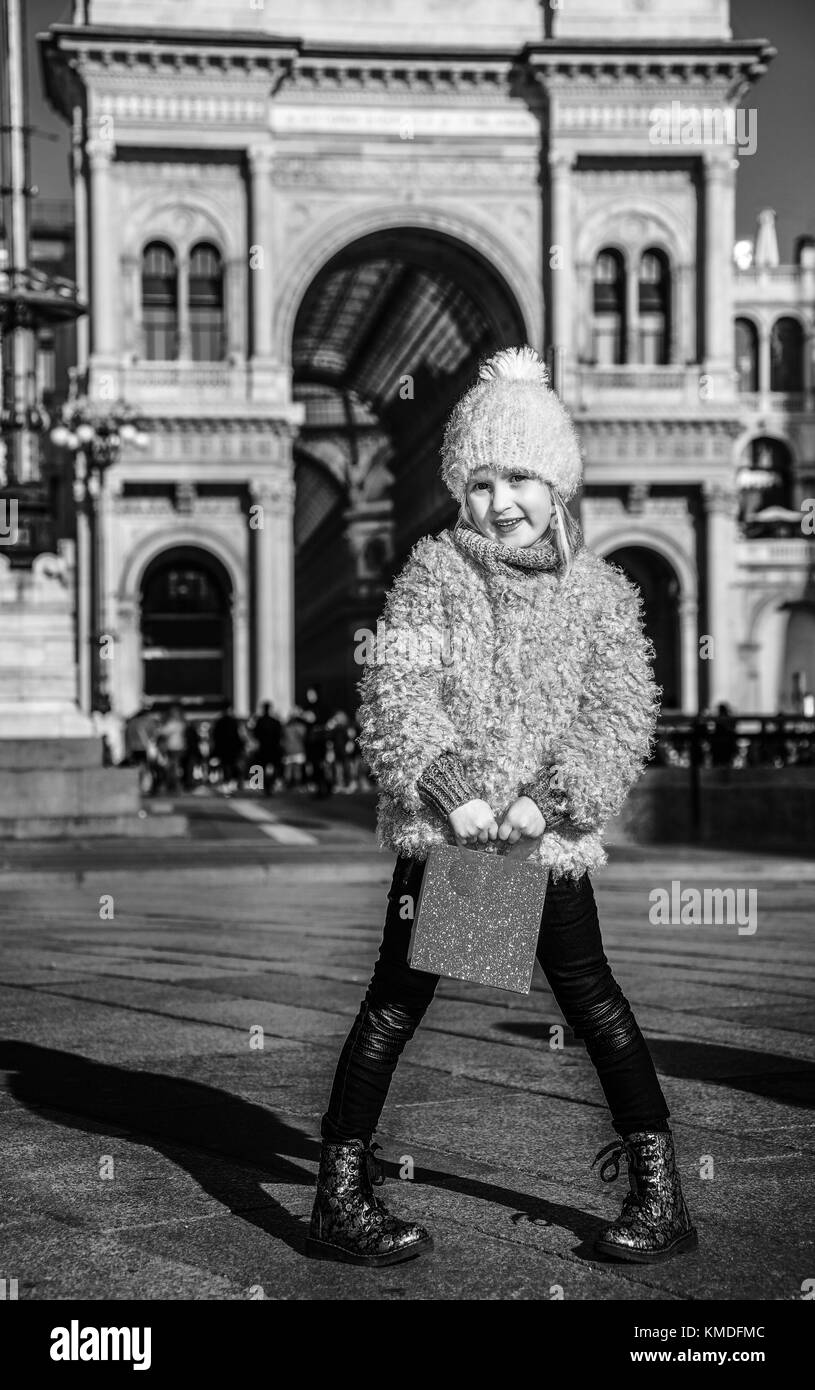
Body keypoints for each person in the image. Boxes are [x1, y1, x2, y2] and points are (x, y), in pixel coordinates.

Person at [307, 346, 697, 1269]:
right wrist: (451, 789)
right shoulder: (432, 574)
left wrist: (550, 800)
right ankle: (338, 1192)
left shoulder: (599, 593)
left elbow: (618, 709)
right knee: (392, 1005)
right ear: (457, 487)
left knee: (594, 1002)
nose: (500, 500)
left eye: (519, 475)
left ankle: (659, 1190)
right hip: (450, 835)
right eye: (479, 481)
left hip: (540, 838)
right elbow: (397, 694)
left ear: (555, 482)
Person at [211, 703, 244, 794]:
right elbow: (238, 736)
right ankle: (232, 783)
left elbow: (215, 736)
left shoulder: (220, 722)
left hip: (224, 748)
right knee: (232, 765)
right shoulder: (233, 721)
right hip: (232, 748)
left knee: (226, 766)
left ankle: (228, 783)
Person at [251, 701, 283, 795]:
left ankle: (266, 785)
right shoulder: (275, 721)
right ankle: (270, 784)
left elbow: (255, 734)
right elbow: (279, 734)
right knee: (272, 767)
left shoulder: (260, 721)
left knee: (262, 767)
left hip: (264, 748)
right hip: (273, 747)